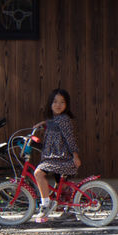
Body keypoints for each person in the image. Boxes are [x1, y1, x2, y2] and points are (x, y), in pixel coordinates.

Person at [33, 88, 82, 223]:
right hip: (54, 157)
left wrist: (75, 155)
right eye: (55, 102)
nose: (58, 105)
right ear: (50, 103)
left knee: (38, 173)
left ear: (66, 105)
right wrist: (42, 124)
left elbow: (70, 138)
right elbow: (51, 124)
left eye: (62, 102)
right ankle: (69, 212)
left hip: (60, 158)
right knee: (61, 185)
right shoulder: (55, 119)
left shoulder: (64, 119)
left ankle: (45, 205)